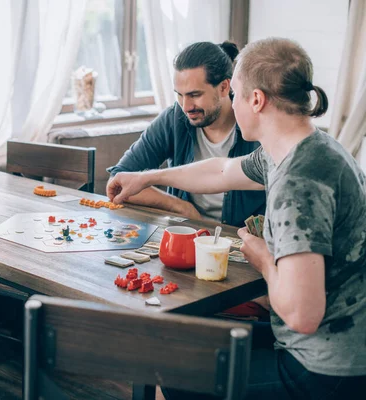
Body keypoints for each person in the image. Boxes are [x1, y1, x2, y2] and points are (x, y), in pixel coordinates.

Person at [109, 37, 366, 399]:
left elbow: (303, 314)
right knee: (181, 339)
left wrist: (263, 260)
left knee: (173, 372)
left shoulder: (299, 180)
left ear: (256, 100)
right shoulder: (300, 147)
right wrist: (147, 177)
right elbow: (220, 171)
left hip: (324, 368)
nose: (233, 103)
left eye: (236, 94)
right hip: (319, 347)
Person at [107, 41, 265, 227]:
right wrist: (182, 208)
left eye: (195, 95)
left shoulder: (257, 124)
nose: (186, 106)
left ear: (224, 87)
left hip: (242, 243)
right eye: (179, 95)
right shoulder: (174, 119)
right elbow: (118, 181)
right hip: (186, 235)